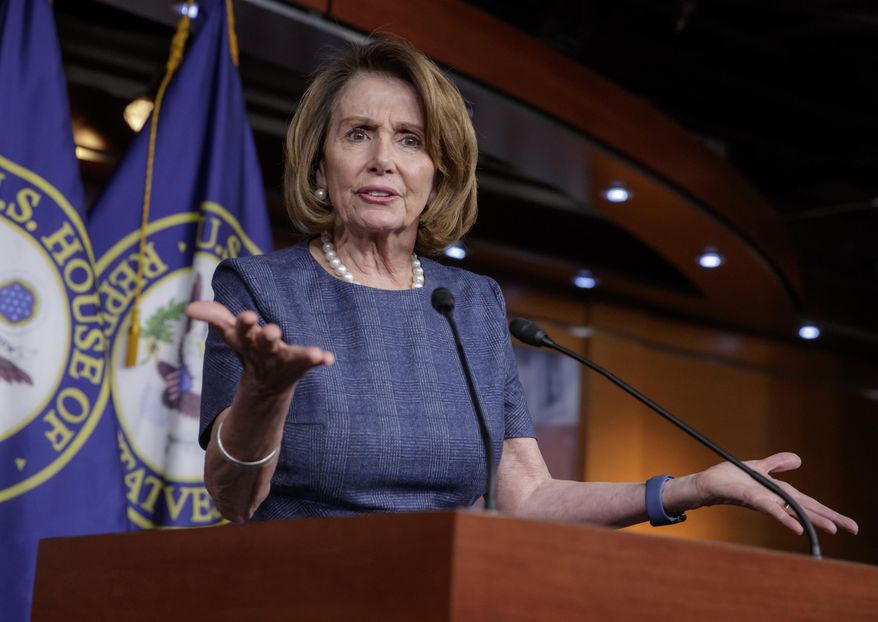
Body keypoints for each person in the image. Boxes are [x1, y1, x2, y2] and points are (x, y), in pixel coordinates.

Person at [186, 37, 858, 538]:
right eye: (358, 134)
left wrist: (688, 488)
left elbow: (528, 497)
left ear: (439, 175)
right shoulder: (261, 289)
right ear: (320, 164)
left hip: (446, 595)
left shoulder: (470, 305)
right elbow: (234, 499)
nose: (383, 160)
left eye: (410, 140)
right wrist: (265, 396)